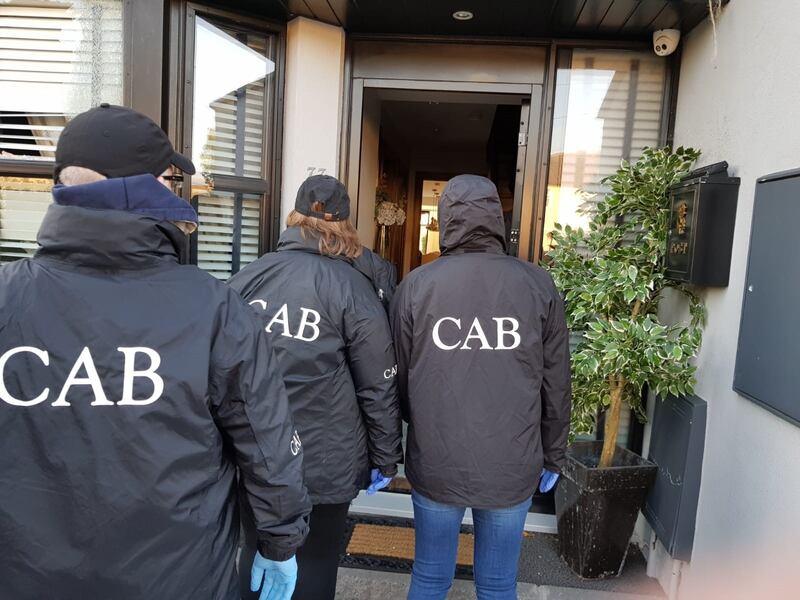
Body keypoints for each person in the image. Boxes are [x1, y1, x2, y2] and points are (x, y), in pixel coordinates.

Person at [0, 104, 311, 600]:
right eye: (169, 177)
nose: (177, 189)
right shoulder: (211, 306)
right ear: (138, 187)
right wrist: (281, 542)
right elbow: (266, 442)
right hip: (177, 579)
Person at [390, 175, 572, 600]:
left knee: (431, 576)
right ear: (495, 217)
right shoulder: (537, 284)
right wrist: (554, 453)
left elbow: (398, 374)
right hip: (513, 460)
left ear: (446, 218)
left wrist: (416, 423)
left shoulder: (417, 285)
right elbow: (556, 383)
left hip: (437, 456)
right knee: (497, 583)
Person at [229, 174, 403, 600]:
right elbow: (377, 384)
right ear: (344, 225)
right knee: (319, 561)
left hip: (255, 454)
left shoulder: (249, 277)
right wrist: (386, 457)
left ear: (295, 217)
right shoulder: (354, 289)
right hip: (326, 458)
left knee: (255, 553)